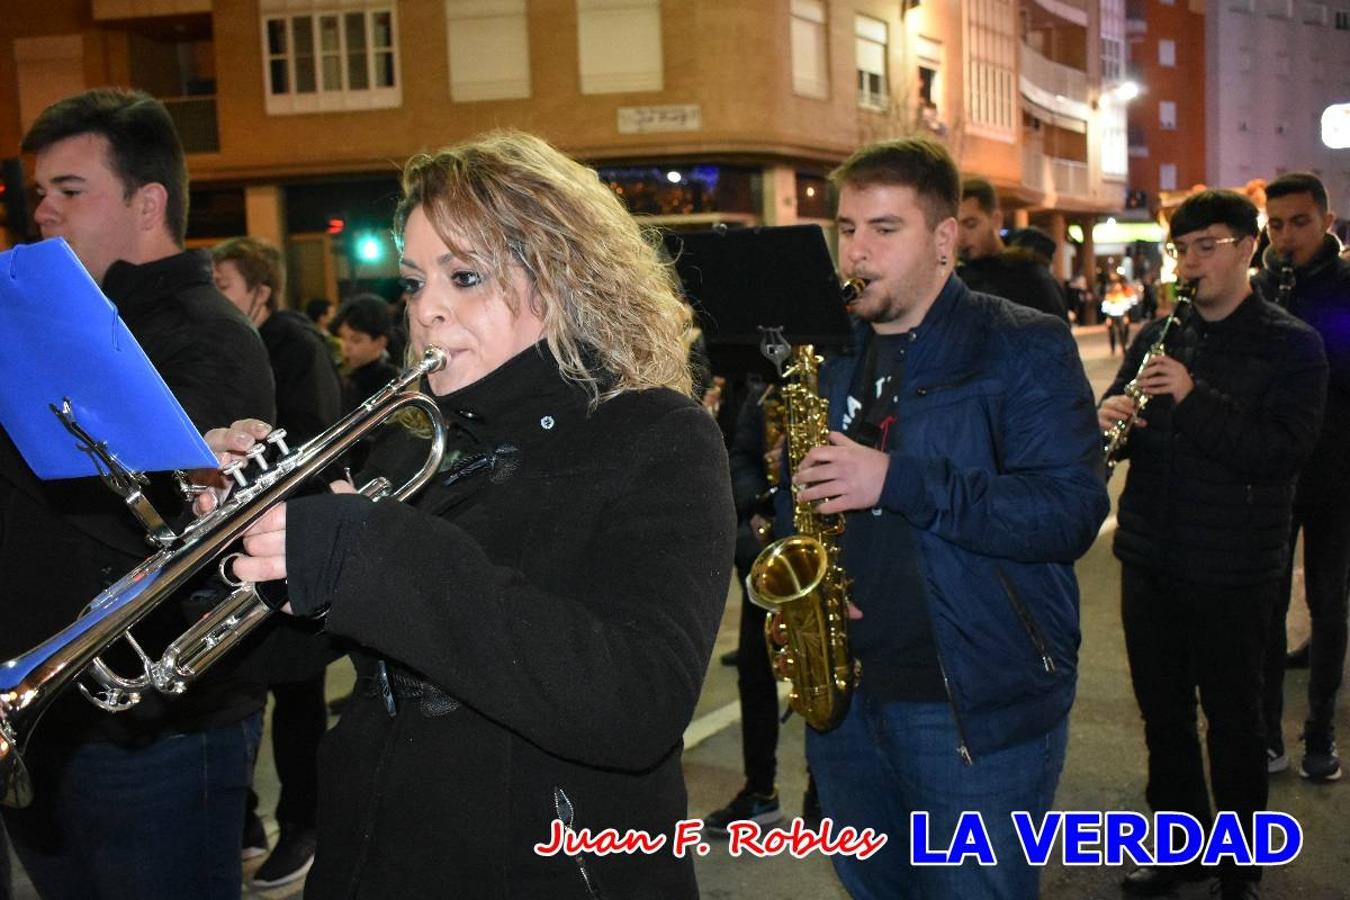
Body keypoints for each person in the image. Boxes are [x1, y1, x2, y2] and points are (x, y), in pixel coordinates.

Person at [208, 130, 735, 896]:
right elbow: (288, 659)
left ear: (562, 277)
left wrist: (374, 555)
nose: (427, 313)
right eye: (416, 282)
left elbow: (637, 701)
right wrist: (241, 543)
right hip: (374, 858)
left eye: (465, 276)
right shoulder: (410, 436)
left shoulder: (657, 435)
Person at [784, 137, 1108, 899]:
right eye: (848, 229)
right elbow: (786, 483)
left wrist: (898, 480)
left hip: (971, 706)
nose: (857, 252)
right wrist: (809, 577)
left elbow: (1068, 510)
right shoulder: (826, 355)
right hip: (846, 702)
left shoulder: (1022, 343)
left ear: (942, 239)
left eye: (884, 230)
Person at [0, 88, 275, 899]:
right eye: (38, 193)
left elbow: (144, 527)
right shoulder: (65, 330)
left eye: (70, 190)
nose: (43, 210)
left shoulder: (205, 333)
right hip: (50, 721)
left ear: (147, 202)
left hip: (154, 733)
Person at [1099, 190, 1326, 900]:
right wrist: (1114, 416)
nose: (1192, 262)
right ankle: (1179, 849)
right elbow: (1122, 428)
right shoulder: (1160, 335)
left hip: (1234, 567)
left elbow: (1280, 453)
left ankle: (1239, 868)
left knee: (1234, 722)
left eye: (1207, 245)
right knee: (1162, 716)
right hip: (1152, 556)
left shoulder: (1293, 344)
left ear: (1247, 249)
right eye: (1183, 249)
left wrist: (1195, 399)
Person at [211, 236, 343, 888]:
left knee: (297, 706)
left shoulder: (296, 345)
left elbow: (314, 442)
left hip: (297, 553)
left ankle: (304, 828)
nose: (217, 297)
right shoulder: (235, 342)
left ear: (261, 291)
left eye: (227, 285)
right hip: (250, 554)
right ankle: (250, 824)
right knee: (247, 697)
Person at [1255, 172, 1350, 783]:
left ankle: (1320, 730)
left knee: (1328, 600)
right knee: (1264, 603)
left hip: (1337, 470)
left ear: (1327, 221)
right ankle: (1267, 733)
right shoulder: (1260, 287)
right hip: (1273, 470)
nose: (1287, 236)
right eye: (1276, 224)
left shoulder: (1345, 286)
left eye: (1300, 222)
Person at [956, 176, 1068, 320]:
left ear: (996, 220)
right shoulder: (956, 279)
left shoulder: (1032, 279)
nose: (960, 237)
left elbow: (1058, 338)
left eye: (970, 224)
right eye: (954, 227)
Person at [331, 293, 399, 411]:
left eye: (356, 340)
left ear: (380, 342)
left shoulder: (391, 383)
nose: (346, 347)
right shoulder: (344, 374)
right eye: (343, 338)